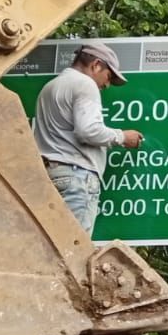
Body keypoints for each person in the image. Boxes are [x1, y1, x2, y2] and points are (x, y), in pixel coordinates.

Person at [32, 41, 142, 233]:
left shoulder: (50, 87)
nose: (107, 85)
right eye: (108, 76)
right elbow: (88, 130)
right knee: (74, 252)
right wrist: (123, 137)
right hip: (76, 176)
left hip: (49, 176)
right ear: (96, 65)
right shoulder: (85, 84)